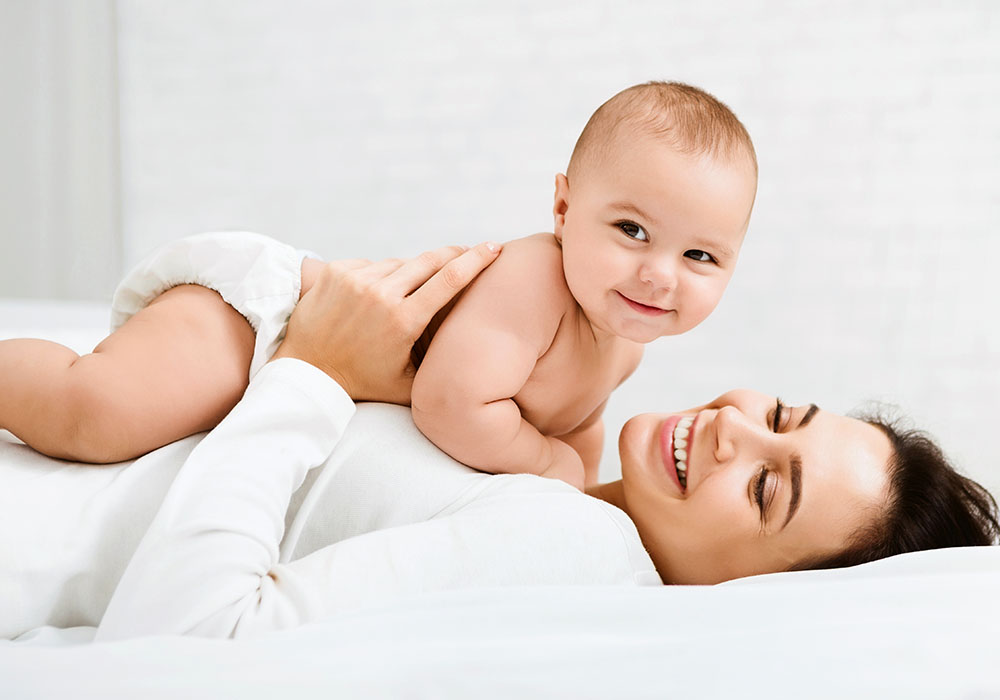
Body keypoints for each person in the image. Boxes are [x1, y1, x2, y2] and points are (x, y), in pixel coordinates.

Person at [1, 245, 995, 641]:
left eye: (767, 490)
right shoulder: (564, 479)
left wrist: (313, 371)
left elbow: (193, 644)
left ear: (756, 592)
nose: (732, 429)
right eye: (780, 415)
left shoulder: (576, 555)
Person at [0, 81, 758, 490]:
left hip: (310, 362)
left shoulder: (624, 342)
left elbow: (576, 418)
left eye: (701, 257)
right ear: (563, 208)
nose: (659, 275)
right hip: (269, 322)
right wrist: (544, 466)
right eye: (631, 231)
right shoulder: (535, 278)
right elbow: (452, 402)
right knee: (94, 412)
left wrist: (579, 477)